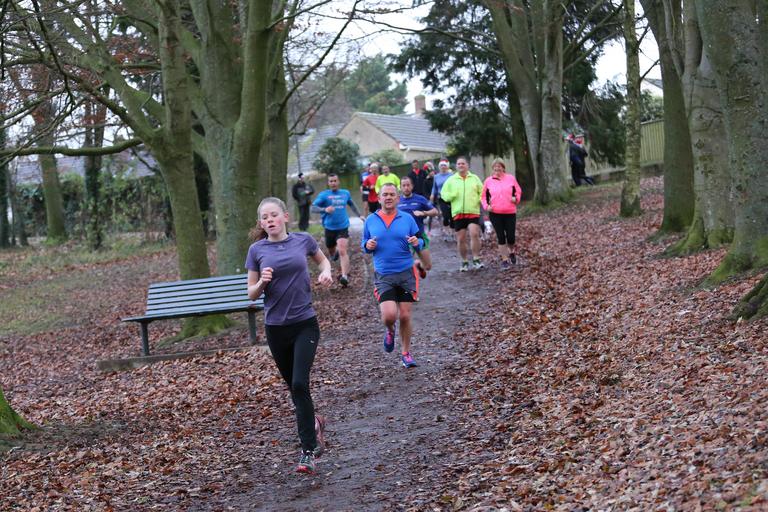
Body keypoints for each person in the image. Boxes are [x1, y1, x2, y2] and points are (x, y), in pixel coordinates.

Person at [245, 197, 333, 474]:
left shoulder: (303, 240)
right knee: (295, 390)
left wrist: (326, 273)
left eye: (274, 215)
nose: (269, 220)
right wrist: (262, 282)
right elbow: (251, 293)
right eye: (264, 217)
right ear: (261, 223)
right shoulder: (256, 250)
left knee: (298, 384)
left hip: (305, 323)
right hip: (276, 328)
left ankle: (308, 451)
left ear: (285, 216)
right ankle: (314, 423)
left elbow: (323, 262)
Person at [362, 183, 423, 368]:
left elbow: (421, 240)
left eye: (392, 194)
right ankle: (390, 330)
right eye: (385, 194)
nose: (388, 197)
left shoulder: (407, 218)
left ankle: (406, 353)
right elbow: (364, 244)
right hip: (384, 274)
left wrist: (417, 242)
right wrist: (368, 246)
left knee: (404, 315)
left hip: (406, 273)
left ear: (398, 198)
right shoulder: (371, 220)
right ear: (379, 198)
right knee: (389, 316)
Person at [311, 174, 362, 287]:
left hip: (343, 226)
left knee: (343, 250)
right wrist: (325, 209)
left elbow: (352, 204)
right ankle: (334, 254)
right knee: (332, 251)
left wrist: (360, 215)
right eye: (331, 181)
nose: (333, 183)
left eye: (335, 181)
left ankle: (344, 276)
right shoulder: (324, 195)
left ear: (338, 182)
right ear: (328, 183)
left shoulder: (345, 193)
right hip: (329, 228)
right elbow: (313, 208)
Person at [440, 156, 484, 271]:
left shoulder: (474, 178)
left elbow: (482, 191)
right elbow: (444, 193)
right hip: (458, 212)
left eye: (463, 163)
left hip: (473, 210)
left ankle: (476, 258)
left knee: (474, 233)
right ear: (456, 166)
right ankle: (464, 261)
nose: (460, 165)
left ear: (467, 165)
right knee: (461, 239)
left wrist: (479, 199)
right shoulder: (451, 180)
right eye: (459, 164)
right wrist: (451, 196)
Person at [481, 158, 523, 268]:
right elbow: (483, 196)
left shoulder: (511, 178)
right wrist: (486, 206)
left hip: (510, 212)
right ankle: (504, 260)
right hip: (495, 213)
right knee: (501, 237)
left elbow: (518, 191)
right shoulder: (488, 181)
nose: (497, 168)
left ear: (503, 168)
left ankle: (511, 251)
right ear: (493, 168)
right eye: (495, 166)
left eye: (499, 166)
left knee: (511, 237)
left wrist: (516, 198)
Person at [398, 175, 438, 278]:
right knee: (403, 267)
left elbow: (435, 211)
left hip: (419, 235)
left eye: (408, 185)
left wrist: (423, 213)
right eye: (404, 185)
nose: (406, 188)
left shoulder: (420, 199)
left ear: (412, 186)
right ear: (400, 187)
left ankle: (419, 265)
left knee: (428, 266)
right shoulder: (397, 201)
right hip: (403, 238)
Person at [430, 159, 454, 241]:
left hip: (451, 198)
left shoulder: (451, 175)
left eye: (444, 165)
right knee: (445, 215)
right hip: (441, 198)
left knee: (452, 216)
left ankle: (452, 233)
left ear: (447, 167)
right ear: (439, 167)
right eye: (441, 165)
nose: (443, 167)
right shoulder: (436, 176)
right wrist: (432, 194)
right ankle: (446, 232)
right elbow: (434, 187)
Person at [423, 162, 436, 235]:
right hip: (431, 200)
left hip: (439, 199)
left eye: (432, 171)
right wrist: (429, 198)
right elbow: (425, 193)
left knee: (441, 215)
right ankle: (429, 231)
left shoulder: (436, 179)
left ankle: (444, 229)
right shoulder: (426, 181)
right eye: (430, 172)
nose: (432, 173)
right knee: (430, 216)